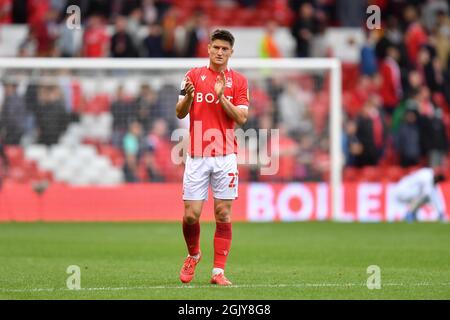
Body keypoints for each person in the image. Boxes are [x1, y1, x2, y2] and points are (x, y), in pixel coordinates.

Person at [175, 29, 249, 286]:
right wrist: (189, 98)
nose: (219, 52)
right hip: (197, 155)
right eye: (216, 47)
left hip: (225, 155)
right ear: (208, 48)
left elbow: (241, 118)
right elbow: (179, 112)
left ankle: (218, 272)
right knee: (191, 215)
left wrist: (220, 98)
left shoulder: (238, 81)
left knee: (223, 214)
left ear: (231, 52)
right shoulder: (192, 75)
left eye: (224, 49)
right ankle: (193, 254)